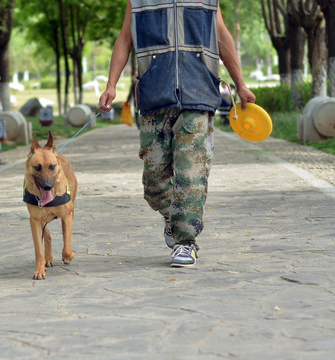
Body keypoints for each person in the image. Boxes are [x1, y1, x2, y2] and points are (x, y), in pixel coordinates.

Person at [99, 0, 256, 267]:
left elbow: (221, 35)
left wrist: (240, 84)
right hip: (154, 96)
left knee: (190, 174)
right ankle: (175, 218)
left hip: (198, 92)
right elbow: (125, 38)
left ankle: (186, 242)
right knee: (154, 183)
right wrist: (111, 85)